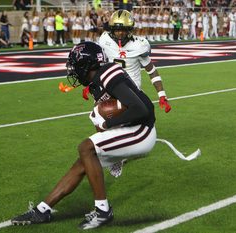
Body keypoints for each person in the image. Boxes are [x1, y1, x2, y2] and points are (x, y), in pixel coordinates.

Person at [11, 41, 156, 229]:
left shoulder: (108, 75)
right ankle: (42, 210)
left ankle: (103, 212)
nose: (73, 71)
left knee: (85, 148)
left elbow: (141, 109)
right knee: (84, 161)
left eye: (75, 66)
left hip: (141, 130)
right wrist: (113, 151)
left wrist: (108, 123)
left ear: (86, 65)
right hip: (130, 129)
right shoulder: (97, 83)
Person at [98, 10, 171, 113]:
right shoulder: (104, 40)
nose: (120, 33)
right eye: (117, 30)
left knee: (145, 117)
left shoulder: (139, 45)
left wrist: (162, 94)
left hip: (132, 93)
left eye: (124, 30)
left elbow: (152, 71)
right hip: (110, 91)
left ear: (130, 29)